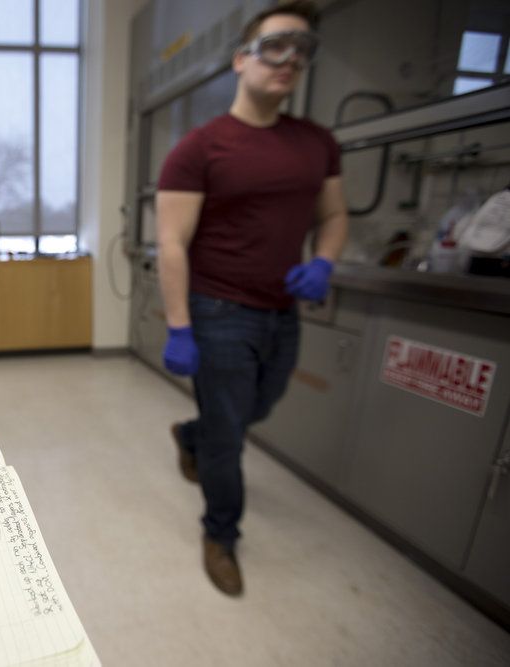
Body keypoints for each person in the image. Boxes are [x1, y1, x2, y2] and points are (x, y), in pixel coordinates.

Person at [155, 0, 348, 597]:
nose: (289, 59)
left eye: (302, 48)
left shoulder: (317, 143)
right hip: (218, 313)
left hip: (281, 313)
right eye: (275, 45)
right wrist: (181, 326)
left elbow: (335, 214)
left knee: (252, 411)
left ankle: (191, 433)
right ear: (242, 59)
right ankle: (221, 534)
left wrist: (323, 261)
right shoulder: (200, 148)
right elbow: (171, 241)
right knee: (231, 435)